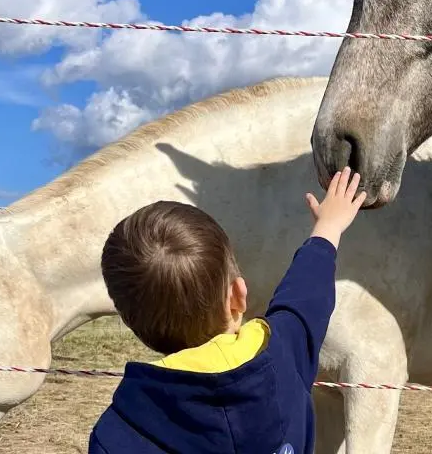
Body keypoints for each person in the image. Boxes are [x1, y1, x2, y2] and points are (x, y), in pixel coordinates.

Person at [88, 167, 367, 454]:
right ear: (238, 295)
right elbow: (305, 292)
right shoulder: (283, 351)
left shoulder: (117, 434)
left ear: (131, 321)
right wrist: (328, 228)